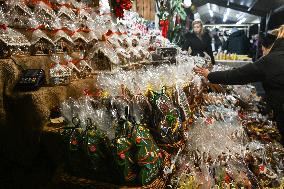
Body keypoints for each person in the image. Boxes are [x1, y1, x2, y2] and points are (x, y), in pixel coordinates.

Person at [194, 25, 284, 145]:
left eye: (263, 50)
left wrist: (210, 75)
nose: (263, 54)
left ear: (270, 46)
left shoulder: (273, 59)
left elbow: (238, 75)